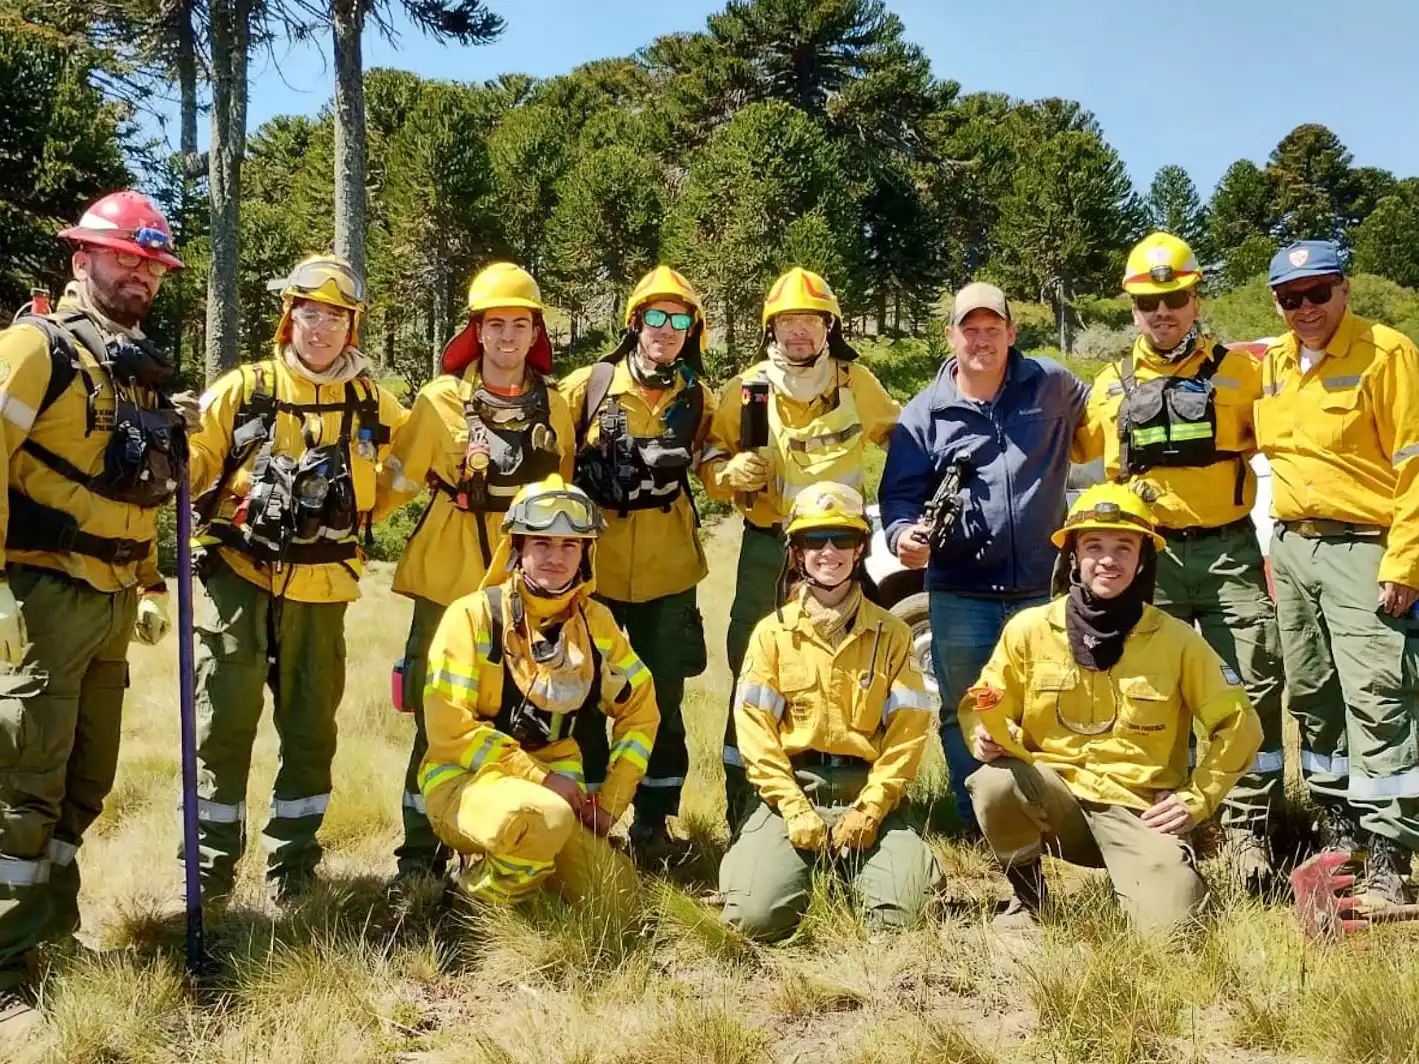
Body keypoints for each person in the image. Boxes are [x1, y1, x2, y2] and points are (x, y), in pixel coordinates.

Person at [0, 191, 189, 1025]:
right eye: (125, 257)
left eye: (152, 265)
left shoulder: (136, 363)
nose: (140, 274)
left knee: (85, 782)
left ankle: (51, 930)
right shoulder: (32, 348)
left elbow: (138, 491)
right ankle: (6, 962)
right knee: (20, 782)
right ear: (81, 259)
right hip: (40, 595)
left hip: (112, 601)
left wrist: (148, 582)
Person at [185, 254, 406, 903]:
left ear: (352, 327)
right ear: (291, 318)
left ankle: (292, 869)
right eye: (310, 313)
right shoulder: (245, 388)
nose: (321, 328)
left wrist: (357, 510)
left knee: (311, 732)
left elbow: (408, 464)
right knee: (222, 722)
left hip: (324, 589)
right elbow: (194, 462)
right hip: (238, 576)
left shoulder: (371, 401)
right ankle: (207, 873)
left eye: (336, 317)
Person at [1079, 233, 1285, 891]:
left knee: (1252, 684)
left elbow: (1290, 445)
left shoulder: (1241, 373)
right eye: (1148, 302)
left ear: (1195, 299)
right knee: (1150, 693)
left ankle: (1250, 830)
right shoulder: (1108, 386)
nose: (1161, 312)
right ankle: (1166, 829)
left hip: (1226, 549)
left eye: (1174, 298)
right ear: (1131, 307)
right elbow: (1080, 458)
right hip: (1151, 561)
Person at [961, 483, 1262, 934]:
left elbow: (1241, 726)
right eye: (1094, 546)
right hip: (1056, 801)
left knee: (1176, 936)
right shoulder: (1028, 630)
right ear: (1073, 559)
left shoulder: (1177, 641)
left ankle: (1163, 876)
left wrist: (1195, 801)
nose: (1108, 559)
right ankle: (1027, 897)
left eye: (1124, 547)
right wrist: (985, 733)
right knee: (994, 782)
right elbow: (983, 700)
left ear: (1143, 559)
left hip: (1138, 810)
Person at [380, 262, 575, 886]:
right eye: (496, 325)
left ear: (536, 332)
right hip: (449, 579)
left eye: (521, 324)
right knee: (437, 711)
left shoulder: (557, 404)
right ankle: (419, 852)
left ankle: (513, 841)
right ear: (478, 331)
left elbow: (564, 495)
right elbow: (399, 482)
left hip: (527, 590)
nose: (509, 338)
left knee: (528, 713)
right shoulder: (441, 402)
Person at [879, 281, 1090, 834]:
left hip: (1043, 591)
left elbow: (1106, 415)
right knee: (965, 708)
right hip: (960, 592)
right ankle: (982, 821)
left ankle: (1056, 816)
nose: (981, 340)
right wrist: (904, 536)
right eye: (969, 329)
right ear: (950, 336)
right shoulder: (923, 414)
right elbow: (898, 497)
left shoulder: (1051, 385)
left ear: (1011, 333)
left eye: (991, 329)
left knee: (1051, 703)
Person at [702, 268, 900, 825]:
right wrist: (727, 473)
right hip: (768, 547)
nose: (798, 333)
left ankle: (845, 797)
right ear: (771, 329)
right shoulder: (746, 389)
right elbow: (710, 458)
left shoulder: (855, 383)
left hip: (838, 551)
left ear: (829, 327)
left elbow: (903, 438)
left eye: (809, 321)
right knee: (754, 673)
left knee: (842, 673)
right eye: (787, 321)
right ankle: (743, 809)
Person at [1255, 240, 1419, 907]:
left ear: (1344, 290)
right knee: (1313, 697)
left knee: (1377, 697)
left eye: (1317, 293)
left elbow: (1414, 466)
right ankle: (1339, 830)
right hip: (1293, 548)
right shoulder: (1270, 363)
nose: (1304, 309)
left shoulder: (1386, 354)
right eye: (1290, 298)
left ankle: (1390, 856)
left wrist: (1404, 560)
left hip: (1363, 548)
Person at [418, 476, 659, 903]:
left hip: (556, 794)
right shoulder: (471, 617)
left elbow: (640, 710)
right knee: (537, 820)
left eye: (570, 546)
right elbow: (448, 729)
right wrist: (541, 778)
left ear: (586, 554)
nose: (556, 558)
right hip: (465, 781)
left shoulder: (597, 624)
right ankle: (467, 905)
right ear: (517, 549)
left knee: (617, 898)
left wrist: (611, 802)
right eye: (542, 544)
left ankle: (519, 886)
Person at [719, 482, 940, 940]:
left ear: (859, 548)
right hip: (793, 791)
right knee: (754, 920)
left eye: (841, 539)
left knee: (901, 920)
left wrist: (873, 809)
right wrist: (794, 808)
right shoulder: (770, 635)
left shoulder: (894, 634)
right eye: (814, 540)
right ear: (796, 553)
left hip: (868, 792)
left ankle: (863, 868)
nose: (829, 552)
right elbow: (755, 736)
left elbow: (907, 734)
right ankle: (793, 864)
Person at [560, 266, 716, 861]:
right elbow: (550, 464)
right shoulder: (590, 387)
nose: (667, 329)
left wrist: (737, 471)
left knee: (662, 699)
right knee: (582, 695)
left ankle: (654, 822)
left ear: (692, 331)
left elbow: (720, 461)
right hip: (590, 574)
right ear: (634, 323)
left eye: (680, 320)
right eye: (656, 316)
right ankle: (588, 817)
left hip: (670, 575)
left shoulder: (700, 397)